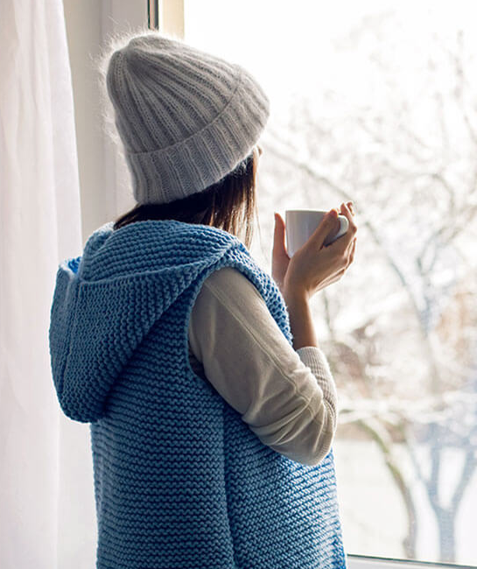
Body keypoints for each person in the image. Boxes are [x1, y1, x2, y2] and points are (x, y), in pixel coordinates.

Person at [48, 32, 355, 568]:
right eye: (250, 146)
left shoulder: (108, 272)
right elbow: (311, 432)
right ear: (223, 168)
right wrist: (299, 295)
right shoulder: (206, 284)